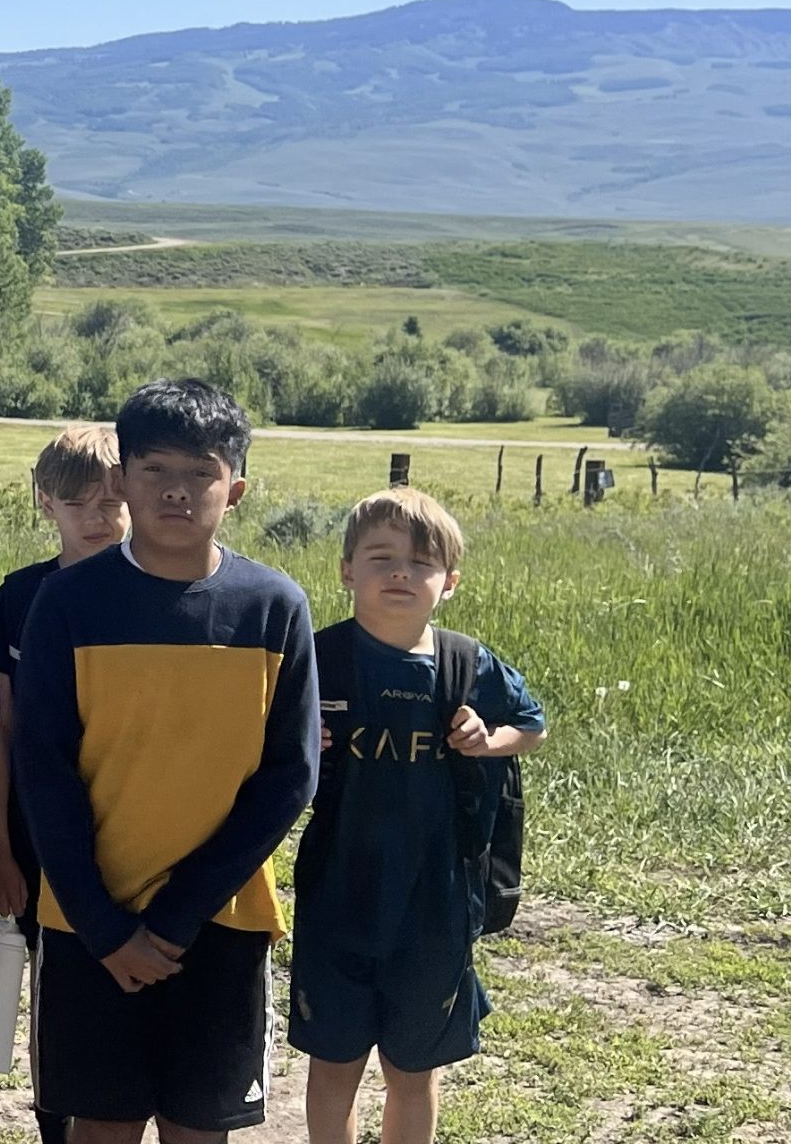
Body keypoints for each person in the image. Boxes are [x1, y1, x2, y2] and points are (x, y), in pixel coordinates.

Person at [13, 378, 320, 1144]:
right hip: (90, 922)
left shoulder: (273, 607)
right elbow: (43, 768)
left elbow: (291, 776)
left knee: (199, 1126)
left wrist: (177, 919)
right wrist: (106, 928)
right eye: (155, 470)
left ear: (236, 489)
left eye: (201, 473)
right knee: (101, 1126)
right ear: (121, 480)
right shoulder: (69, 602)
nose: (177, 492)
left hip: (219, 919)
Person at [292, 488, 548, 1144]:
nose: (400, 573)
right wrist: (293, 741)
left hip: (436, 904)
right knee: (333, 1064)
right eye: (380, 558)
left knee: (415, 1069)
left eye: (419, 562)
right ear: (347, 569)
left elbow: (532, 725)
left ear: (450, 582)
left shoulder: (468, 663)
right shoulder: (319, 658)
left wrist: (491, 741)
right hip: (338, 900)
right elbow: (259, 744)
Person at [0, 424, 124, 1144]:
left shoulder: (153, 592)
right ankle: (53, 1123)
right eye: (78, 501)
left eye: (112, 499)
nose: (98, 516)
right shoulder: (19, 596)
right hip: (40, 834)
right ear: (45, 502)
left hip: (134, 828)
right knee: (55, 990)